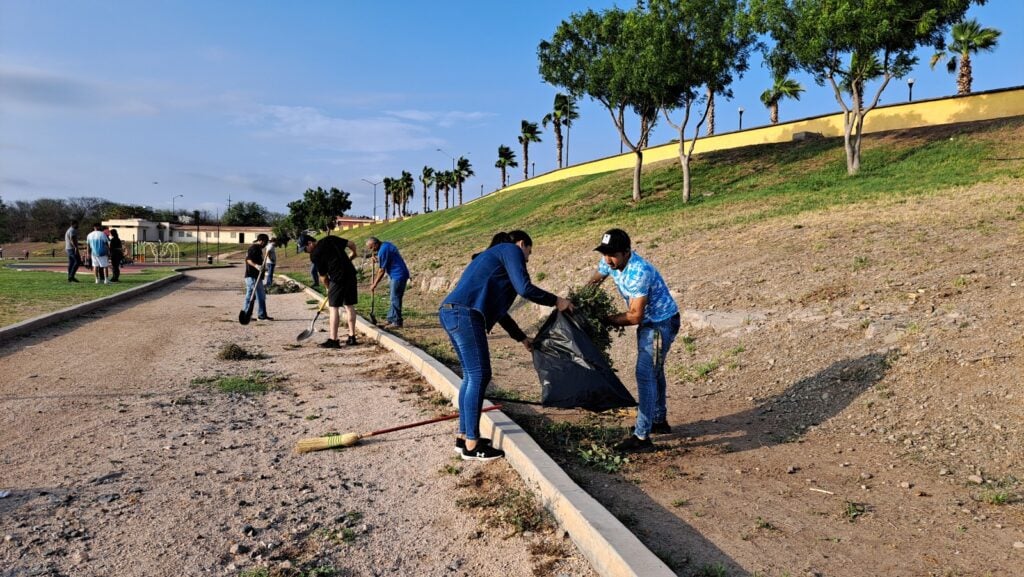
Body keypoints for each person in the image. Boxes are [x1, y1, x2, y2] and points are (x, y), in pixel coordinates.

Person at [441, 230, 572, 462]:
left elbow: (501, 313)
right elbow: (525, 288)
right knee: (480, 375)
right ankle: (472, 444)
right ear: (522, 244)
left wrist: (522, 338)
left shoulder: (492, 261)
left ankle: (463, 438)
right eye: (528, 253)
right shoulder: (510, 250)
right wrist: (557, 300)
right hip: (465, 315)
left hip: (452, 312)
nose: (526, 260)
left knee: (471, 377)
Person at [587, 229, 680, 452]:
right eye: (604, 254)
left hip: (660, 324)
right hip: (649, 324)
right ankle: (658, 420)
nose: (608, 260)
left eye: (613, 255)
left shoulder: (639, 272)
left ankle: (641, 437)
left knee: (645, 373)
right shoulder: (610, 262)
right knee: (655, 371)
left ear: (627, 252)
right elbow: (594, 280)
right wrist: (580, 301)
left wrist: (604, 319)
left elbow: (634, 316)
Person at [300, 233, 359, 348]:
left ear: (310, 243)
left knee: (333, 308)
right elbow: (351, 244)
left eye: (305, 249)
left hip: (337, 279)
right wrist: (354, 254)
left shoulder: (315, 255)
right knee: (349, 305)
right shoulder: (331, 239)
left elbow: (323, 276)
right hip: (351, 275)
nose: (306, 252)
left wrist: (328, 288)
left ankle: (334, 340)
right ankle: (352, 337)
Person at [366, 236, 410, 329]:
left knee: (395, 298)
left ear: (375, 244)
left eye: (371, 248)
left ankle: (397, 322)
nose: (371, 250)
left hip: (398, 275)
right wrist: (377, 260)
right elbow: (387, 259)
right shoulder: (386, 245)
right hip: (397, 274)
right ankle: (391, 319)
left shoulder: (383, 250)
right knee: (393, 297)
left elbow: (382, 270)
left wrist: (374, 284)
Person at [242, 233, 272, 321]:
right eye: (265, 242)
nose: (266, 244)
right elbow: (248, 260)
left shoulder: (258, 249)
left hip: (255, 276)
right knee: (257, 296)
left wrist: (263, 268)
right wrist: (256, 266)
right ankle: (260, 315)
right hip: (252, 276)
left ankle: (252, 314)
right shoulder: (254, 248)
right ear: (261, 241)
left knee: (255, 295)